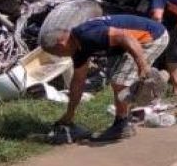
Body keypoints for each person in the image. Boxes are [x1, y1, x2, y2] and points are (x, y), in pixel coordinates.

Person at [41, 14, 169, 142]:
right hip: (133, 41)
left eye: (57, 53)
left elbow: (125, 37)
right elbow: (78, 82)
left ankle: (122, 126)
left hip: (152, 37)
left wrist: (143, 66)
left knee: (119, 81)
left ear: (61, 44)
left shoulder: (87, 35)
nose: (61, 56)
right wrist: (69, 114)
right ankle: (129, 111)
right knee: (118, 78)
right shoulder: (79, 49)